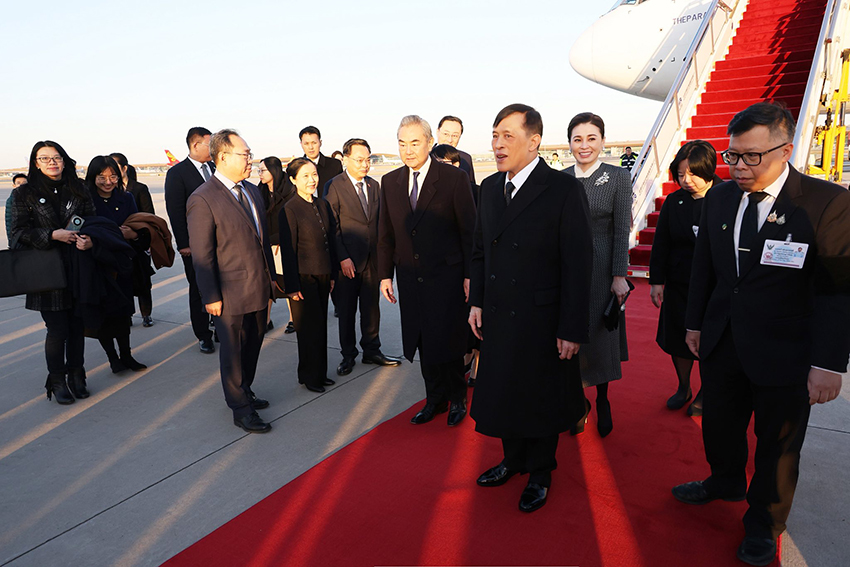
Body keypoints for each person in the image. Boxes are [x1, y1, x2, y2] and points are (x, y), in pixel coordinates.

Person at [672, 103, 850, 567]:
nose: (739, 167)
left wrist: (829, 364)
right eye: (733, 155)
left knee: (778, 444)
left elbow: (837, 291)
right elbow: (705, 269)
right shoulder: (720, 198)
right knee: (719, 425)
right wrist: (694, 324)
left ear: (785, 150)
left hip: (787, 350)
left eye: (752, 157)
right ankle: (725, 481)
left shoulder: (825, 202)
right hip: (723, 340)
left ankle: (765, 522)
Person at [470, 103, 593, 513]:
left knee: (539, 397)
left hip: (542, 318)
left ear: (534, 140)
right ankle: (512, 460)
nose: (498, 144)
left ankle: (540, 471)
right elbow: (480, 251)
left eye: (508, 136)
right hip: (498, 313)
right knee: (504, 392)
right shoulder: (489, 188)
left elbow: (578, 264)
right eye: (495, 135)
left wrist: (572, 328)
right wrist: (475, 302)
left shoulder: (562, 189)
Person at [378, 115, 476, 427]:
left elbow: (469, 232)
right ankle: (434, 399)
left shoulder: (453, 178)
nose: (408, 150)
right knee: (421, 339)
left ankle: (457, 397)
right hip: (410, 277)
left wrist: (470, 275)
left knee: (448, 339)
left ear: (430, 143)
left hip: (446, 277)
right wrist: (385, 275)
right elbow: (385, 233)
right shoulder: (390, 182)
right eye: (402, 143)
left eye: (414, 143)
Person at [187, 129, 276, 433]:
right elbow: (203, 254)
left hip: (258, 287)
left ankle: (245, 389)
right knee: (234, 351)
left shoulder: (251, 191)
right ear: (223, 157)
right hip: (229, 293)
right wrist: (211, 296)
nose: (251, 160)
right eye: (245, 154)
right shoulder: (203, 198)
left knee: (253, 344)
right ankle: (240, 408)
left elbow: (261, 241)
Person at [7, 141, 95, 404]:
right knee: (57, 330)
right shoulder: (24, 194)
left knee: (77, 326)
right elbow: (17, 234)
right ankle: (57, 380)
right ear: (35, 163)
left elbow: (93, 221)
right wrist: (51, 235)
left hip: (77, 266)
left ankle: (77, 374)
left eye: (56, 157)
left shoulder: (79, 188)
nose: (52, 162)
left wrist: (89, 239)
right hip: (45, 270)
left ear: (64, 161)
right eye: (44, 158)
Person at [565, 112, 631, 438]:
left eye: (591, 138)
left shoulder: (618, 177)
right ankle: (578, 401)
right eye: (577, 139)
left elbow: (621, 230)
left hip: (603, 268)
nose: (584, 145)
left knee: (601, 335)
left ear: (603, 141)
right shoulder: (561, 178)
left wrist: (619, 275)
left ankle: (603, 398)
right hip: (566, 271)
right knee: (568, 334)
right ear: (569, 144)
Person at [649, 140, 721, 415]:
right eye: (681, 175)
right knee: (678, 337)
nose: (686, 181)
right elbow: (662, 242)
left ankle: (707, 390)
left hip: (715, 284)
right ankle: (683, 386)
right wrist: (657, 281)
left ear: (709, 169)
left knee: (711, 339)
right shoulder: (674, 201)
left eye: (693, 174)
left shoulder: (727, 196)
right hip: (680, 282)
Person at [325, 138, 402, 377]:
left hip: (372, 260)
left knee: (371, 309)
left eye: (368, 159)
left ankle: (372, 350)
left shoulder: (374, 185)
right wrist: (342, 257)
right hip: (347, 262)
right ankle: (348, 355)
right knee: (347, 311)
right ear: (346, 160)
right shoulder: (334, 186)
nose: (365, 164)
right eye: (359, 160)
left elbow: (379, 223)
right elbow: (332, 226)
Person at [278, 158, 339, 393]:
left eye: (314, 174)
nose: (312, 180)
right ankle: (309, 376)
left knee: (320, 327)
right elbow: (288, 250)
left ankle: (320, 373)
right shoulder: (290, 209)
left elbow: (330, 240)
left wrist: (332, 274)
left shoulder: (322, 204)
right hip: (303, 278)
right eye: (305, 176)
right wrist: (292, 286)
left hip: (323, 274)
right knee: (307, 330)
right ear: (293, 180)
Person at [85, 156, 148, 373]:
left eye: (113, 176)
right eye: (101, 177)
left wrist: (133, 235)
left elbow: (139, 226)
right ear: (92, 177)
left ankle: (127, 355)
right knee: (104, 315)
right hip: (98, 265)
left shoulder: (126, 198)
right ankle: (112, 358)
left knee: (123, 313)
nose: (108, 182)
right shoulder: (86, 201)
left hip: (122, 265)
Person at [431, 143, 480, 384]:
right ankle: (465, 355)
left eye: (446, 164)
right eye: (436, 164)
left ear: (458, 165)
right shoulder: (428, 193)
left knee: (475, 313)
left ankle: (477, 359)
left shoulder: (477, 191)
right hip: (445, 270)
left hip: (473, 264)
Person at [164, 127, 216, 354]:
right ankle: (203, 334)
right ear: (195, 145)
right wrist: (184, 243)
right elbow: (175, 211)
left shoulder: (214, 168)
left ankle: (220, 327)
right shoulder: (178, 173)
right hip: (194, 245)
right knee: (199, 288)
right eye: (210, 144)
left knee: (220, 286)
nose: (214, 149)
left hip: (219, 242)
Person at [111, 152, 156, 327]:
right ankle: (127, 314)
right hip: (118, 243)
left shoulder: (139, 189)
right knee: (124, 281)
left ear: (124, 168)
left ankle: (146, 313)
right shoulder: (109, 190)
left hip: (137, 241)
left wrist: (143, 238)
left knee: (142, 280)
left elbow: (149, 215)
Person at [258, 156, 294, 332]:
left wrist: (275, 239)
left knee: (287, 282)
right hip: (266, 245)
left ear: (274, 171)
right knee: (267, 284)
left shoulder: (289, 191)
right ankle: (266, 320)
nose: (260, 174)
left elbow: (292, 222)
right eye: (259, 170)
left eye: (263, 170)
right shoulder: (259, 191)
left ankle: (293, 318)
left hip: (284, 244)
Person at [283, 126, 343, 198]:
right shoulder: (295, 167)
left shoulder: (335, 165)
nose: (310, 147)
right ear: (301, 144)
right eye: (306, 143)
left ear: (320, 143)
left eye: (314, 143)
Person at [436, 115, 476, 185]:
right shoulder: (426, 156)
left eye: (454, 136)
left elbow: (471, 188)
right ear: (437, 132)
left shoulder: (465, 159)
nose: (449, 140)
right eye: (446, 134)